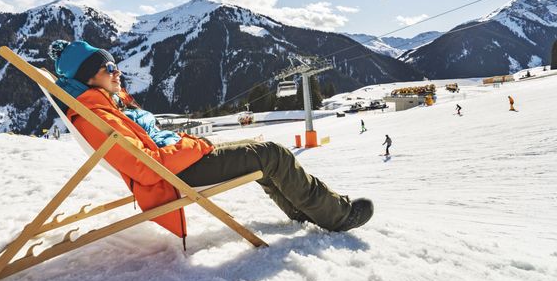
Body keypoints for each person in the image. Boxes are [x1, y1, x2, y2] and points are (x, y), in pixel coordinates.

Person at [47, 40, 373, 244]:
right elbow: (149, 167)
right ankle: (338, 216)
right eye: (108, 68)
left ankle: (304, 209)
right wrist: (195, 145)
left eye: (116, 65)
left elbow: (147, 151)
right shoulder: (95, 115)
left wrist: (186, 144)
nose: (117, 72)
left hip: (179, 161)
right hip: (177, 173)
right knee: (272, 154)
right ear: (87, 77)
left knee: (260, 149)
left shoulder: (98, 105)